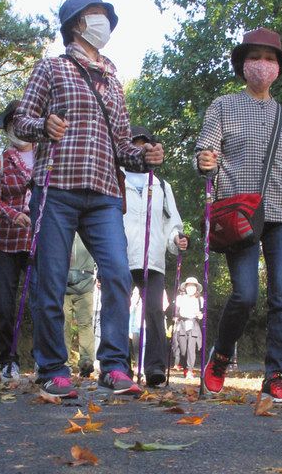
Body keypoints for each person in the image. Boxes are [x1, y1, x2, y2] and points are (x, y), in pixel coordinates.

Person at [12, 0, 164, 398]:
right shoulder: (51, 68)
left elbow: (122, 147)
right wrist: (44, 125)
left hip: (104, 194)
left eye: (106, 16)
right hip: (56, 187)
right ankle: (52, 368)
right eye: (96, 14)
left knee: (116, 275)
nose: (104, 22)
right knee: (52, 280)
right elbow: (21, 121)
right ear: (77, 23)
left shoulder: (114, 81)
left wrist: (145, 155)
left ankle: (114, 366)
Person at [195, 27, 282, 403]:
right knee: (244, 294)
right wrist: (205, 161)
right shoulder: (222, 105)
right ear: (243, 64)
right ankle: (220, 357)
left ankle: (276, 375)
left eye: (270, 59)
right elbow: (206, 152)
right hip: (239, 210)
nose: (263, 64)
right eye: (255, 57)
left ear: (278, 68)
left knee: (281, 298)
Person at [124, 125, 188, 386]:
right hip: (122, 255)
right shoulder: (115, 179)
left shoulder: (162, 185)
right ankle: (118, 365)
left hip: (153, 258)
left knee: (154, 312)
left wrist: (177, 239)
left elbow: (172, 222)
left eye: (145, 144)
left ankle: (155, 368)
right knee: (118, 310)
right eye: (136, 144)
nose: (142, 149)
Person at [0, 100, 35, 381]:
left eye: (22, 120)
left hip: (38, 240)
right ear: (8, 128)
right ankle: (8, 360)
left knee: (43, 300)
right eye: (12, 122)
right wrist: (13, 214)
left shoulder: (49, 158)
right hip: (4, 240)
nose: (18, 127)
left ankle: (45, 360)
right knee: (4, 303)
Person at [64, 234, 96, 377]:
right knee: (65, 324)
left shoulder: (89, 226)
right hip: (65, 284)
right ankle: (64, 362)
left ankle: (86, 362)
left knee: (83, 324)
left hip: (84, 283)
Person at [175, 277, 204, 379]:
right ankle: (186, 368)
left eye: (193, 286)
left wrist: (201, 316)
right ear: (185, 287)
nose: (191, 288)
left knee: (191, 348)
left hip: (193, 325)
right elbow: (176, 312)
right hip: (182, 325)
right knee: (183, 350)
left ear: (196, 288)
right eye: (189, 286)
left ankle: (190, 371)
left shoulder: (200, 299)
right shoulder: (180, 298)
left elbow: (202, 314)